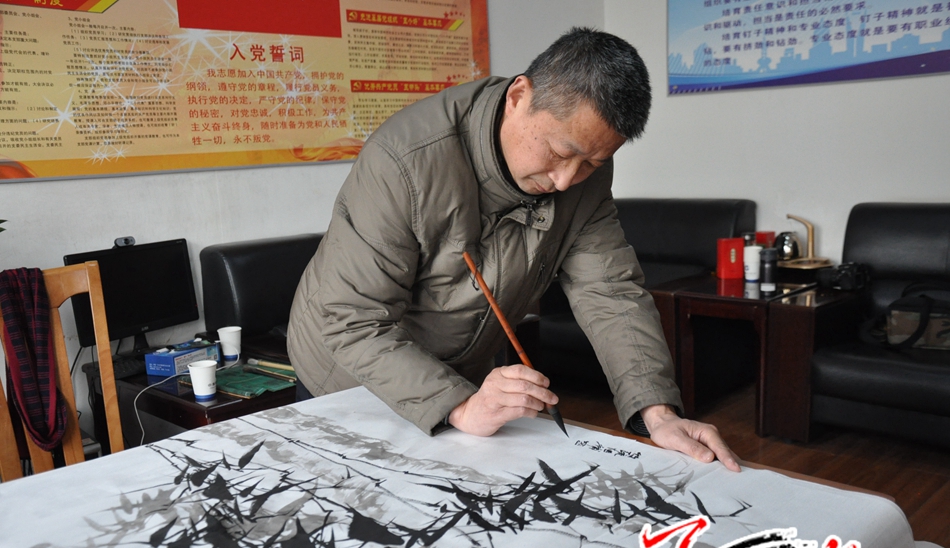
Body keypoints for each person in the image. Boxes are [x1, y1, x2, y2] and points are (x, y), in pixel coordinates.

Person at [288, 27, 741, 472]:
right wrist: (459, 404)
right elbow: (353, 319)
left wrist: (657, 412)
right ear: (519, 96)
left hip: (461, 379)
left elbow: (611, 291)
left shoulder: (583, 177)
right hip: (350, 377)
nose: (565, 180)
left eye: (591, 163)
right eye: (560, 152)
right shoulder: (404, 161)